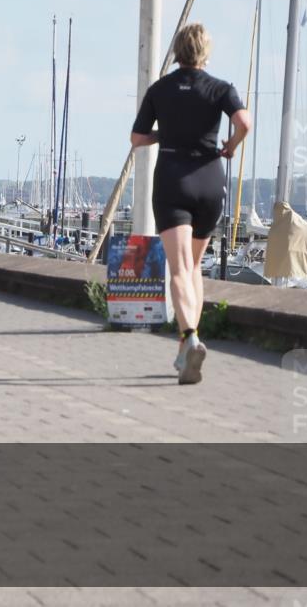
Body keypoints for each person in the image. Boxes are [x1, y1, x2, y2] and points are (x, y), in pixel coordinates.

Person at [130, 22, 252, 385]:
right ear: (205, 52)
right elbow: (244, 121)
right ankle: (188, 349)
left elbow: (137, 138)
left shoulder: (160, 89)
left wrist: (160, 134)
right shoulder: (220, 88)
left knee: (179, 270)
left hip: (173, 178)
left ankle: (189, 338)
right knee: (195, 266)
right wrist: (230, 146)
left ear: (178, 51)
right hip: (210, 179)